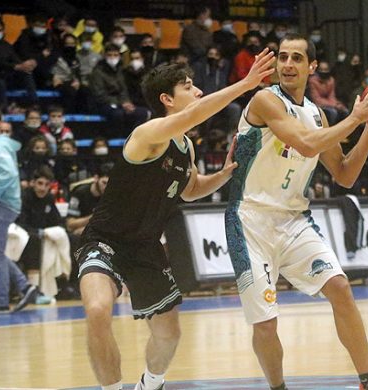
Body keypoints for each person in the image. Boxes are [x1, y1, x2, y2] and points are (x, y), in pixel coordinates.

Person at [74, 49, 274, 390]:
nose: (197, 92)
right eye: (188, 86)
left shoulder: (187, 147)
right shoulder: (148, 134)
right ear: (167, 98)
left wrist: (227, 173)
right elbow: (196, 114)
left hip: (146, 247)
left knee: (169, 334)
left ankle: (149, 386)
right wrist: (245, 84)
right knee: (97, 309)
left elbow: (190, 189)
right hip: (105, 240)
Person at [224, 34, 368, 390]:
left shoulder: (317, 115)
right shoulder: (265, 100)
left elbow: (345, 174)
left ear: (311, 67)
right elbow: (303, 143)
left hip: (295, 220)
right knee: (266, 323)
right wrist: (354, 118)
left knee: (340, 288)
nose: (287, 64)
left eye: (296, 58)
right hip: (250, 221)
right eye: (282, 57)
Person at [0, 107, 38, 313]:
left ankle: (2, 302)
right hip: (4, 203)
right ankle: (25, 286)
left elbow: (9, 175)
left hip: (3, 204)